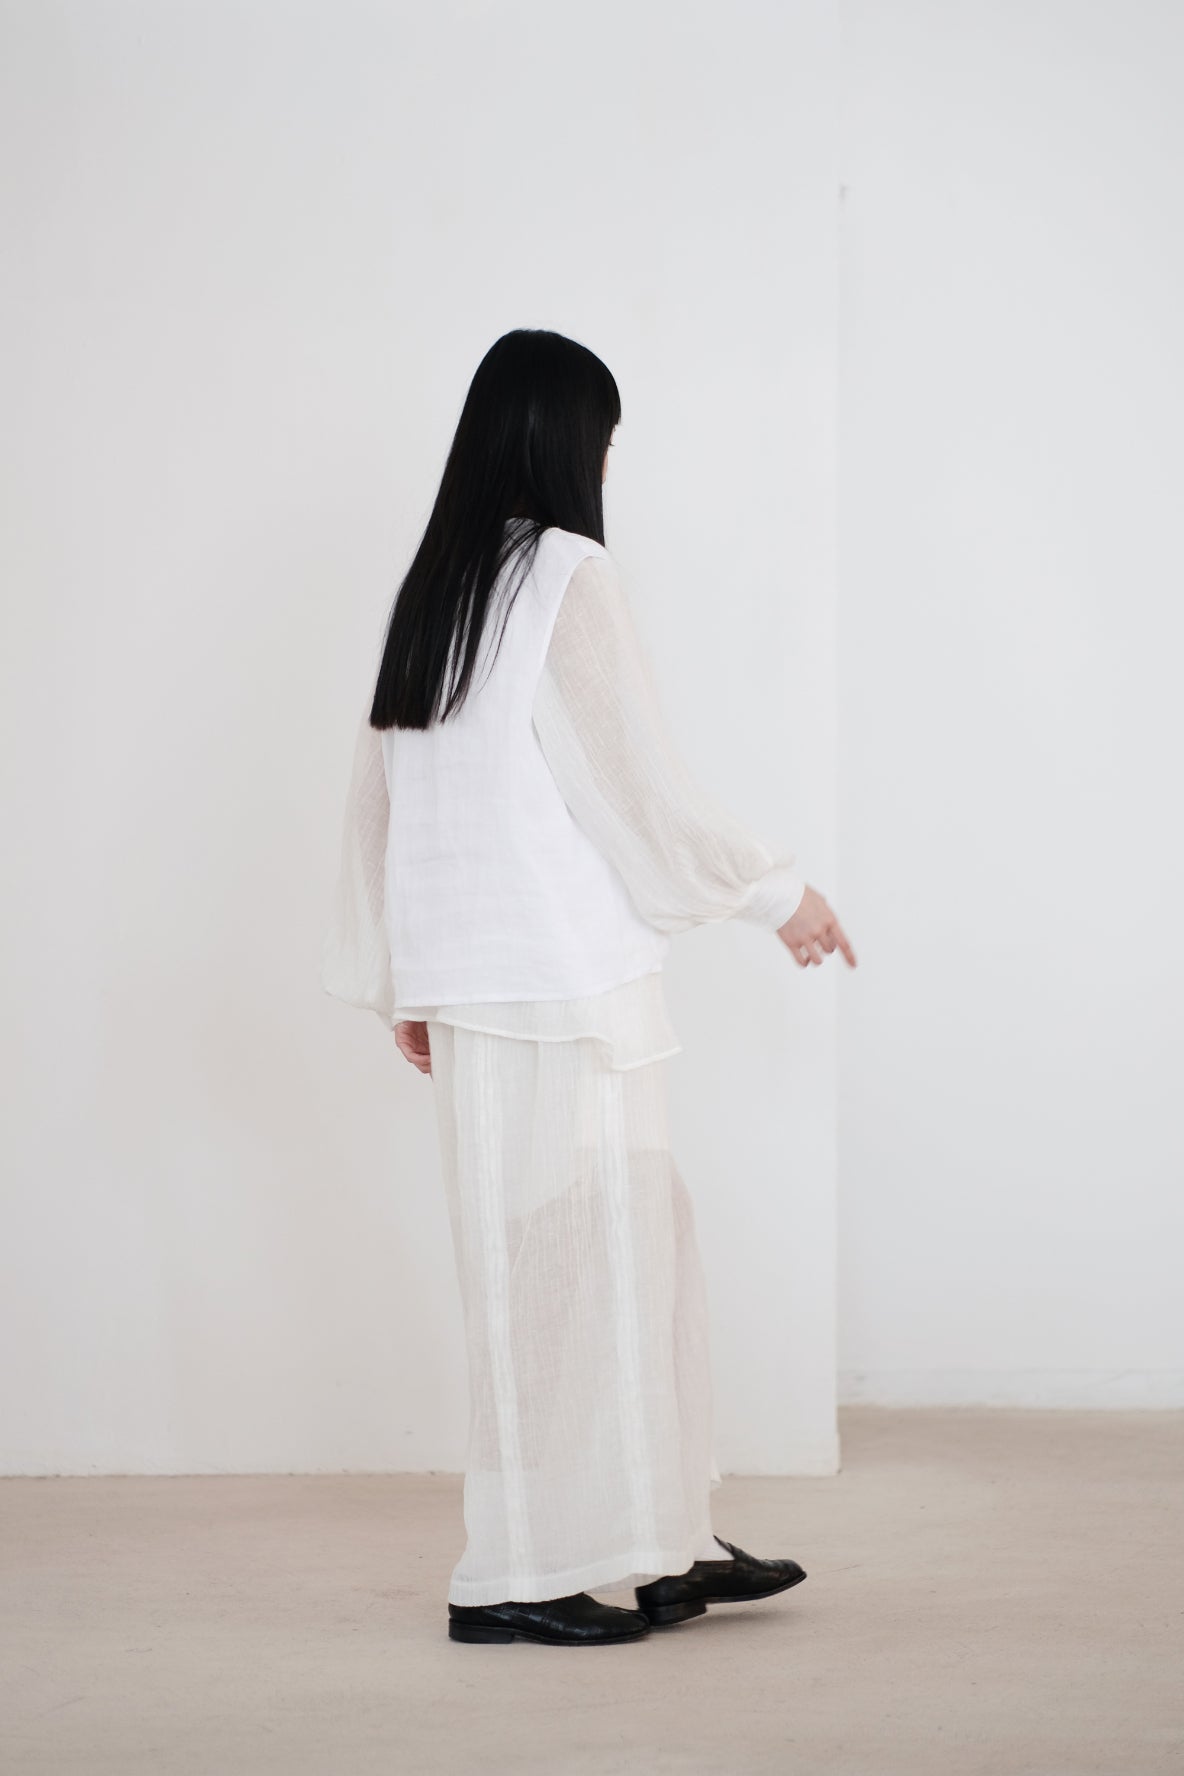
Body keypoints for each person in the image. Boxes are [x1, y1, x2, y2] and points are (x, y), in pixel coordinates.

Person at [321, 328, 857, 1649]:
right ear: (565, 441)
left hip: (482, 981)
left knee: (601, 1252)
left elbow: (383, 798)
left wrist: (405, 977)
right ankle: (510, 1574)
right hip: (564, 981)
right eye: (603, 440)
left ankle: (663, 1540)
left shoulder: (436, 588)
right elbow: (638, 785)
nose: (607, 465)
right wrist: (775, 893)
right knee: (577, 1272)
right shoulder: (565, 573)